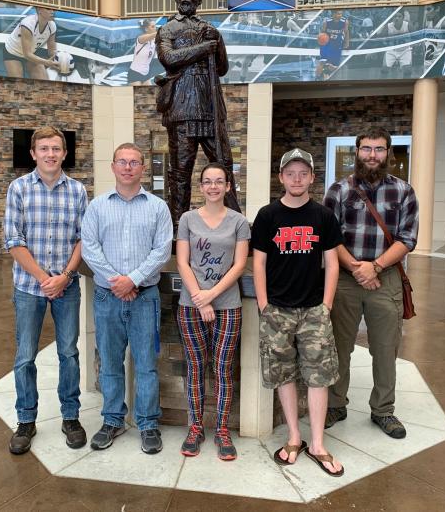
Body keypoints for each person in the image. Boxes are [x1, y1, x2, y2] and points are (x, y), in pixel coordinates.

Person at [251, 148, 344, 477]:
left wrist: (327, 305)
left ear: (312, 178)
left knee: (318, 377)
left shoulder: (323, 216)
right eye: (290, 173)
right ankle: (294, 436)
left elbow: (332, 263)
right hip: (277, 310)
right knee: (284, 374)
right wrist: (264, 305)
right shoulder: (267, 216)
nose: (296, 179)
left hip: (313, 311)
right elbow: (258, 262)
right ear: (280, 177)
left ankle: (317, 443)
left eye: (303, 173)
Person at [323, 127, 418, 440]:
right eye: (366, 149)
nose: (372, 155)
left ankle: (383, 410)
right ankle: (336, 404)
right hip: (347, 280)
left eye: (379, 149)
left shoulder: (403, 191)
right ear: (357, 151)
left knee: (385, 348)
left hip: (386, 279)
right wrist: (355, 267)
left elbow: (408, 238)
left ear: (388, 153)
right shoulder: (338, 190)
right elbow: (329, 236)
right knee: (339, 346)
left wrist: (375, 267)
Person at [81, 143, 173, 455]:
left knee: (146, 364)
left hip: (145, 298)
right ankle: (112, 420)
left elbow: (162, 250)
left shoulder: (158, 207)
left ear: (143, 168)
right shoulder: (97, 207)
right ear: (113, 166)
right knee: (110, 364)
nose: (128, 167)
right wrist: (117, 282)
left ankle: (148, 424)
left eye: (134, 162)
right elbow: (90, 248)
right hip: (107, 298)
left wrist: (131, 280)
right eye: (122, 161)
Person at [3, 126, 89, 455]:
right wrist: (44, 278)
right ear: (33, 153)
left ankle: (71, 417)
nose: (50, 154)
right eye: (44, 149)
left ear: (64, 153)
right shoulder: (19, 189)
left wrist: (65, 276)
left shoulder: (78, 191)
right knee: (25, 356)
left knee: (68, 353)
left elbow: (84, 238)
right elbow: (14, 241)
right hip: (29, 287)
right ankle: (26, 420)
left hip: (67, 286)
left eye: (56, 148)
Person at [175, 163, 250, 461]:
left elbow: (239, 265)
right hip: (191, 305)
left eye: (219, 181)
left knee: (222, 368)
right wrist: (200, 300)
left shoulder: (239, 222)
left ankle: (221, 429)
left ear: (228, 186)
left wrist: (211, 297)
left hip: (228, 305)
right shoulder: (188, 219)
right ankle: (195, 427)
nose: (214, 186)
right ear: (201, 186)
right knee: (195, 367)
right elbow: (183, 262)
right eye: (208, 181)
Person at [156, 0, 241, 226]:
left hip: (210, 109)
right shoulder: (167, 29)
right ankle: (178, 228)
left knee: (224, 165)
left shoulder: (209, 30)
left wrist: (217, 42)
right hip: (181, 111)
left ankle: (233, 223)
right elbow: (168, 58)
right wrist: (204, 48)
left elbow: (222, 67)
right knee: (181, 172)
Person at [3, 7, 62, 80]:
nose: (52, 11)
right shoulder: (28, 24)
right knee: (18, 85)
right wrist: (46, 62)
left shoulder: (52, 26)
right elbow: (27, 54)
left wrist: (60, 58)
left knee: (43, 82)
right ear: (39, 10)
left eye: (53, 9)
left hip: (32, 53)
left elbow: (52, 50)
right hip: (12, 52)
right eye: (48, 9)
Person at [316, 10, 348, 80]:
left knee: (335, 66)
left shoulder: (344, 22)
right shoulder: (326, 22)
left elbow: (346, 32)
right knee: (322, 61)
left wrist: (346, 42)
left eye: (341, 14)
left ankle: (326, 71)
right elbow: (322, 34)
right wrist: (321, 40)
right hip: (326, 44)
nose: (340, 15)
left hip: (337, 44)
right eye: (338, 14)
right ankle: (317, 78)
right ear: (333, 14)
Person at [128, 19, 159, 85]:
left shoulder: (154, 41)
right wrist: (163, 31)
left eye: (155, 26)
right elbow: (155, 35)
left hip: (146, 73)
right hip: (135, 73)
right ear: (146, 29)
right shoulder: (141, 38)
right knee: (139, 94)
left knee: (150, 95)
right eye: (152, 27)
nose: (155, 28)